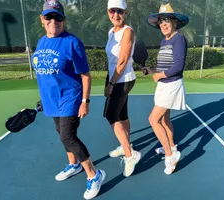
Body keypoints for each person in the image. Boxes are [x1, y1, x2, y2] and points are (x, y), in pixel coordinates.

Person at [31, 1, 105, 199]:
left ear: (63, 20)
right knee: (60, 133)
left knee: (68, 137)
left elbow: (86, 75)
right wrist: (43, 98)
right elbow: (45, 74)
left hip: (70, 97)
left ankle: (94, 174)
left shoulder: (72, 42)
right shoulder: (41, 42)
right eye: (49, 17)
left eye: (57, 17)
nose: (53, 20)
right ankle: (74, 165)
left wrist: (85, 101)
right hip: (51, 99)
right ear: (42, 19)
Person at [144, 3, 189, 175]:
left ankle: (171, 155)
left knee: (153, 120)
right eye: (161, 21)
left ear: (175, 23)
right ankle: (170, 145)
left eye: (167, 20)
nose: (163, 24)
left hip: (171, 85)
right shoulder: (165, 40)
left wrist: (160, 75)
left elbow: (178, 66)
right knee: (164, 120)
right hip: (163, 85)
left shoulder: (179, 39)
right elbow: (163, 65)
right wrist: (152, 71)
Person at [104, 0, 141, 177]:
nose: (116, 15)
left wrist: (111, 83)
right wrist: (109, 79)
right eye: (113, 11)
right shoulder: (111, 31)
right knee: (122, 115)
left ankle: (130, 154)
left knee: (111, 115)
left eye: (120, 11)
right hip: (113, 77)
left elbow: (123, 60)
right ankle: (126, 144)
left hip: (123, 79)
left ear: (125, 13)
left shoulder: (128, 31)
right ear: (108, 12)